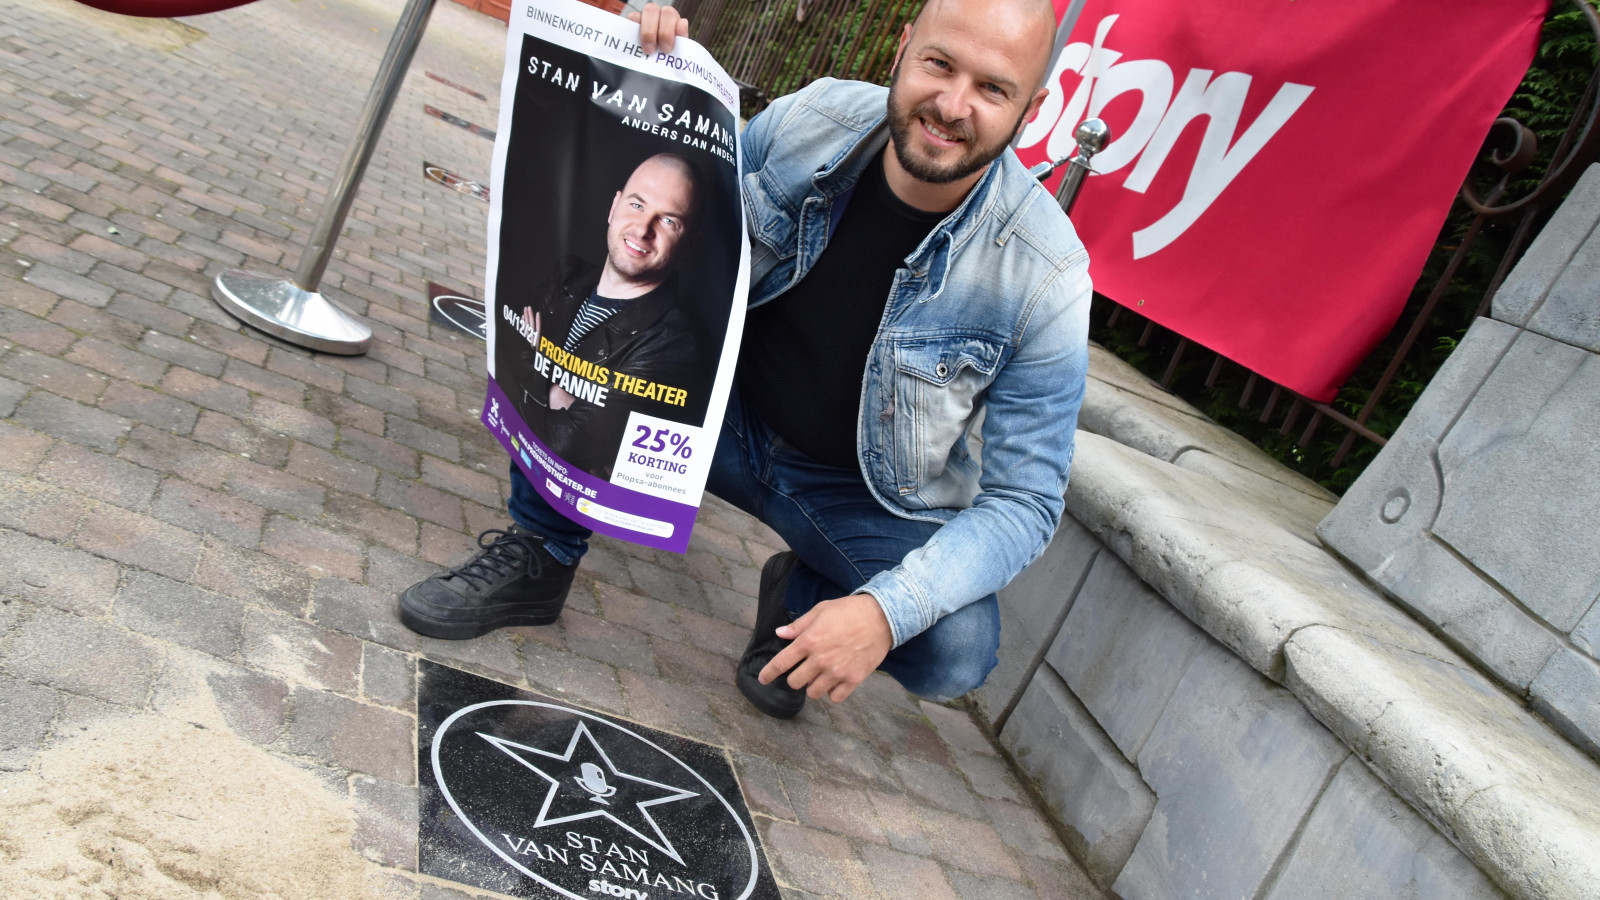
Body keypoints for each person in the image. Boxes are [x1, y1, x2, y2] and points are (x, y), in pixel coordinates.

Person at [399, 0, 1091, 721]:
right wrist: (655, 70)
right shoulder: (812, 120)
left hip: (849, 490)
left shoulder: (1045, 276)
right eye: (940, 65)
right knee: (587, 333)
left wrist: (882, 613)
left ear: (1030, 109)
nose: (952, 106)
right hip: (711, 417)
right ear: (903, 51)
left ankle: (803, 601)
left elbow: (1027, 502)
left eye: (992, 88)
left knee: (956, 648)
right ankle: (541, 550)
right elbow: (678, 204)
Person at [503, 152, 703, 479]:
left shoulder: (671, 344)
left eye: (668, 220)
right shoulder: (567, 276)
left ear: (689, 242)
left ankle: (544, 533)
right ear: (614, 207)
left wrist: (537, 366)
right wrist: (556, 393)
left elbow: (565, 448)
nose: (642, 230)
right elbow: (505, 359)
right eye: (637, 205)